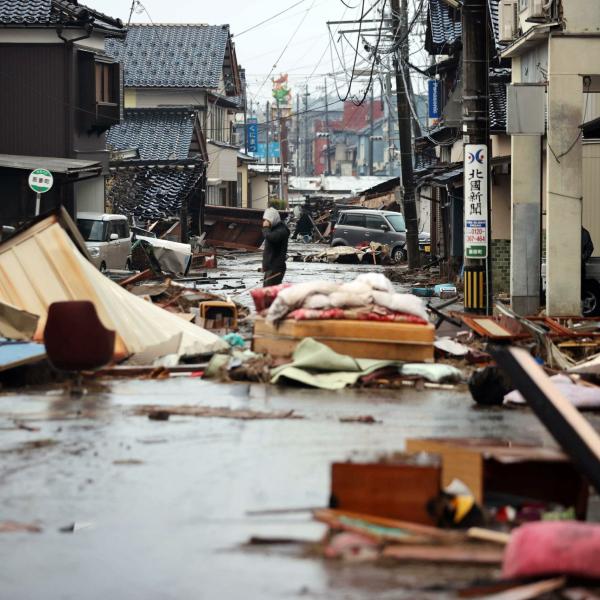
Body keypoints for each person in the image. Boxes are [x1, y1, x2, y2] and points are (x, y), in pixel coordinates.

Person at [262, 206, 290, 287]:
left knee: (269, 293)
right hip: (270, 267)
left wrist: (265, 228)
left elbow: (271, 238)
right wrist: (265, 266)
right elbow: (268, 250)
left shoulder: (281, 230)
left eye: (268, 220)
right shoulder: (274, 229)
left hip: (276, 268)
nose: (266, 222)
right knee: (267, 292)